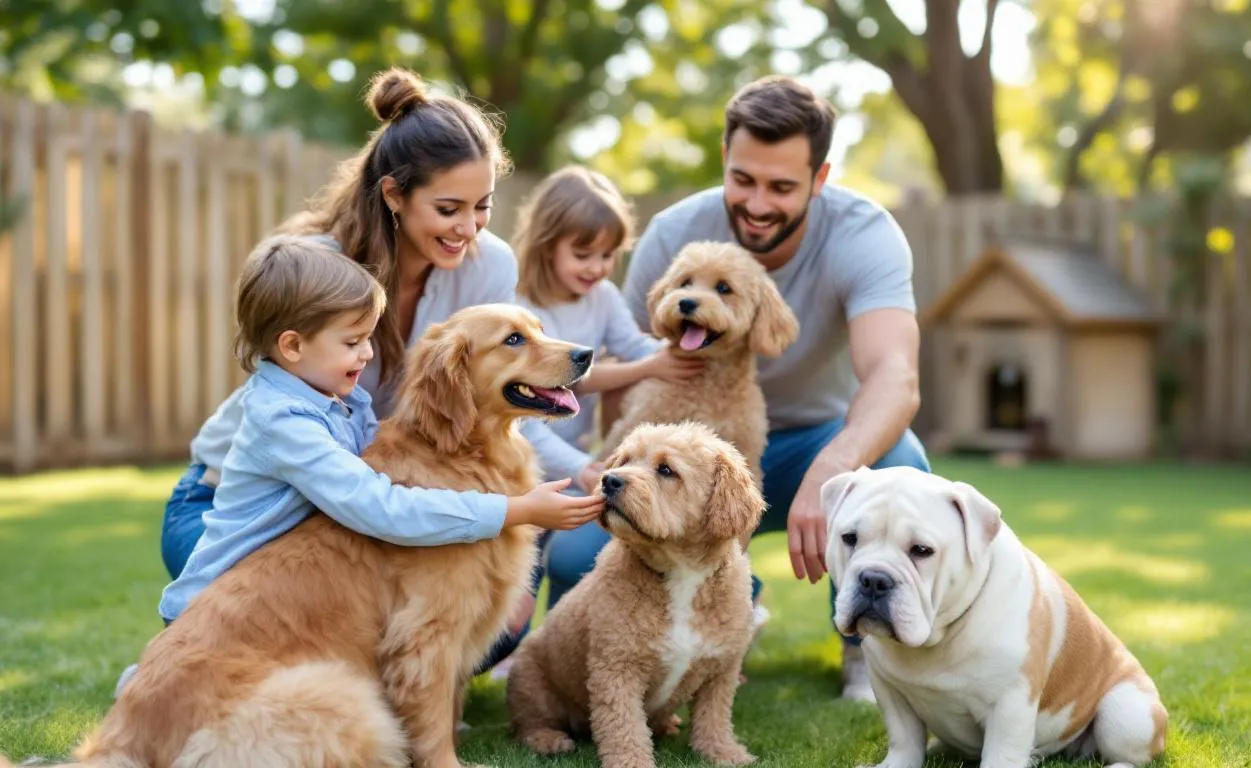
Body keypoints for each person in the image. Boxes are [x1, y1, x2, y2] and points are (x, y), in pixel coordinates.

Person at [150, 67, 599, 693]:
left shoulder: (488, 263)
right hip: (244, 509)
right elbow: (359, 491)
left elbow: (497, 407)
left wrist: (579, 472)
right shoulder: (312, 268)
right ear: (393, 194)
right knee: (292, 622)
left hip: (364, 499)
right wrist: (504, 515)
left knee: (492, 620)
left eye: (483, 208)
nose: (468, 230)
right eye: (448, 209)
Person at [541, 75, 931, 702]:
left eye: (781, 186)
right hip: (678, 462)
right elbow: (625, 372)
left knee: (899, 465)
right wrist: (609, 469)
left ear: (820, 178)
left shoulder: (864, 234)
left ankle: (868, 652)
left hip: (811, 442)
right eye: (743, 179)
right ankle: (577, 656)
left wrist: (831, 469)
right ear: (724, 158)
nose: (757, 203)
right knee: (568, 557)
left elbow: (895, 376)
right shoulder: (676, 233)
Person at [159, 235, 602, 628]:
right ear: (292, 346)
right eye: (352, 343)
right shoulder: (283, 421)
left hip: (289, 585)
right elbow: (378, 506)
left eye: (369, 338)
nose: (368, 354)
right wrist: (513, 511)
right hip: (226, 611)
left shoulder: (340, 399)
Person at [511, 165, 703, 501]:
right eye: (582, 255)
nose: (597, 267)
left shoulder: (603, 296)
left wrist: (673, 353)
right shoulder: (524, 308)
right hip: (526, 450)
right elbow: (567, 379)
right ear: (546, 245)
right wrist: (647, 368)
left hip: (576, 452)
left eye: (607, 255)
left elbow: (632, 345)